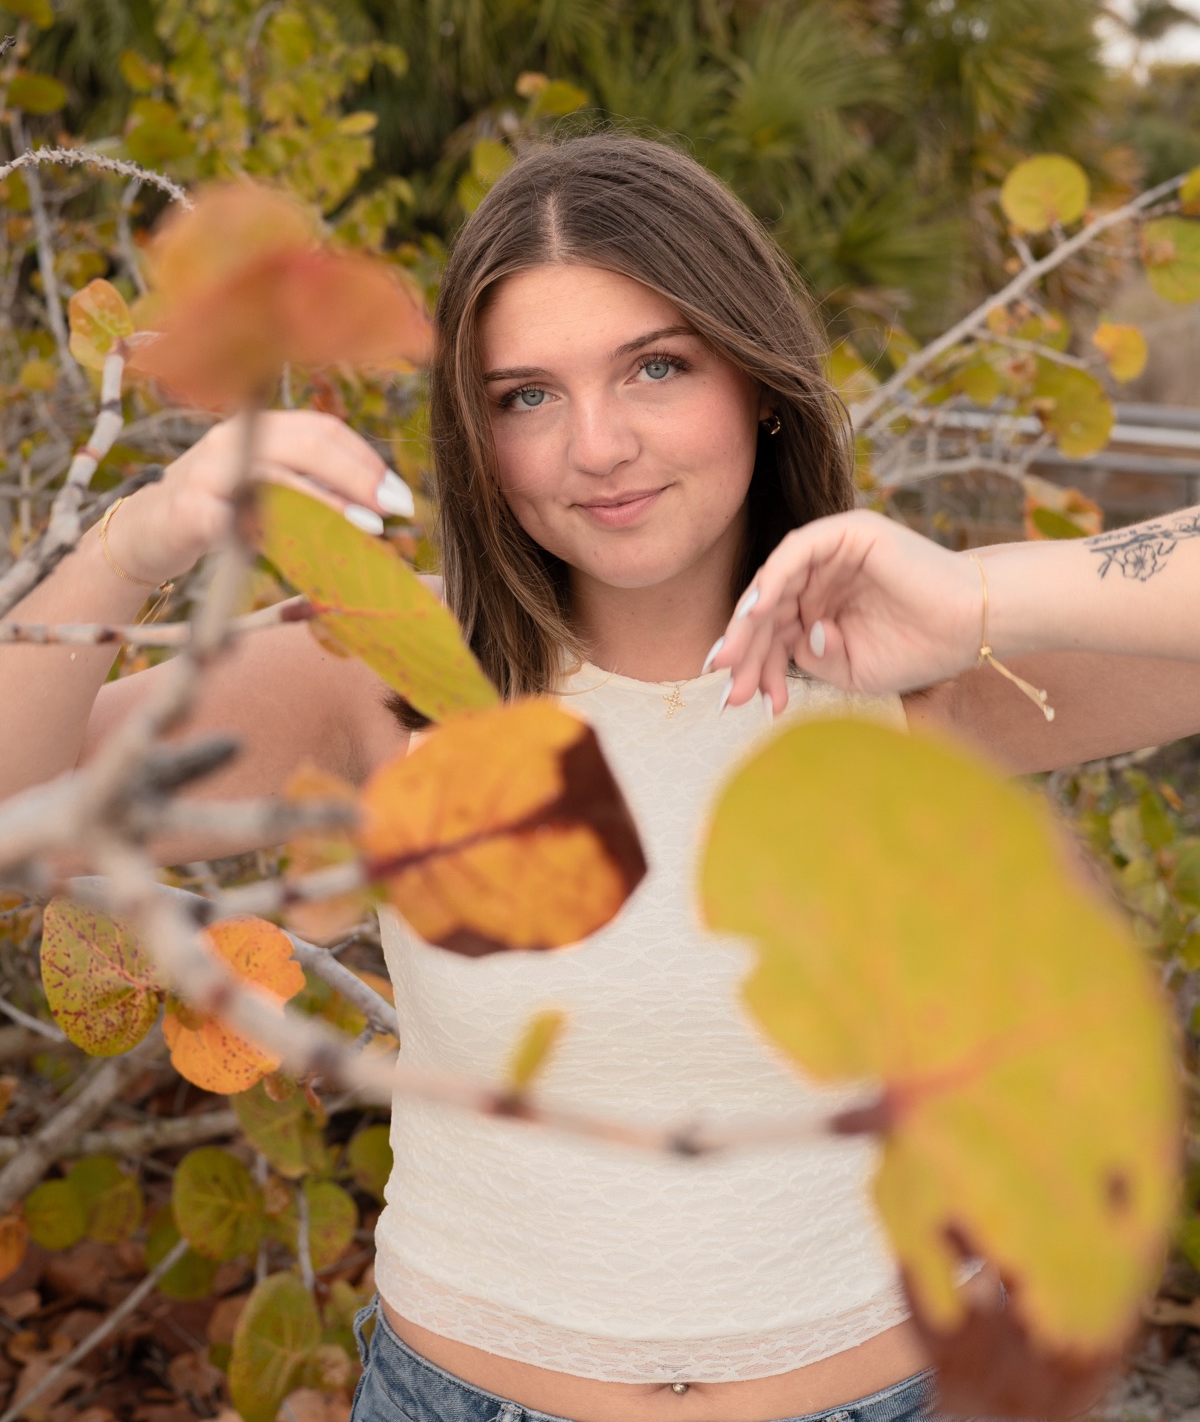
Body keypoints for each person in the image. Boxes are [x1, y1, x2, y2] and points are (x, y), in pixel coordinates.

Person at [4, 133, 1200, 1422]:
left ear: (758, 379)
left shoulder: (914, 661)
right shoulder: (384, 666)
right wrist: (140, 541)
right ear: (478, 435)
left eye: (656, 367)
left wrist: (981, 593)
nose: (599, 446)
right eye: (527, 395)